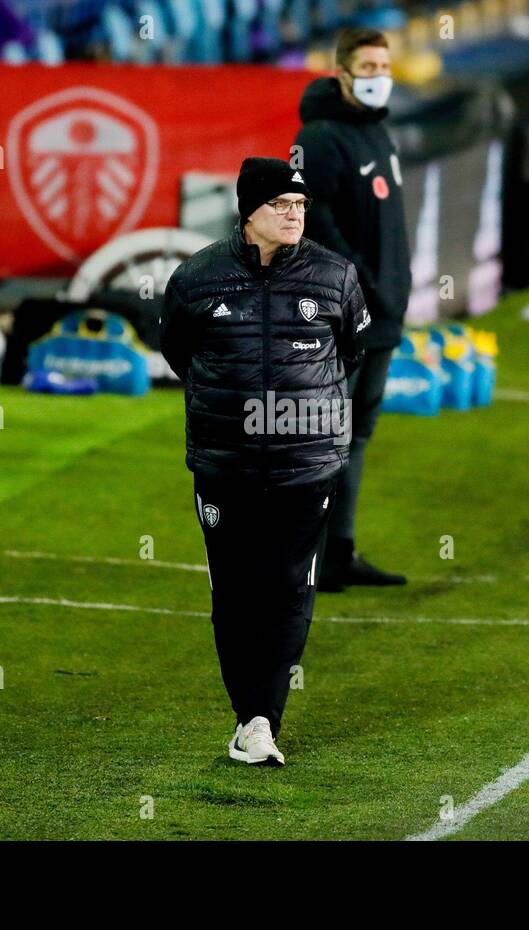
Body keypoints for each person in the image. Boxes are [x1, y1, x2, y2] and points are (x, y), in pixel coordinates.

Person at [159, 157, 369, 765]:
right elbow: (179, 353)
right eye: (281, 205)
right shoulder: (199, 279)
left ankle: (261, 719)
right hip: (225, 464)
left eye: (300, 207)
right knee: (235, 591)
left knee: (288, 589)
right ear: (249, 211)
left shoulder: (335, 277)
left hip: (308, 466)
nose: (294, 216)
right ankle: (248, 714)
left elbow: (348, 353)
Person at [294, 27, 410, 591]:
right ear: (341, 73)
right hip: (344, 313)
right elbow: (313, 219)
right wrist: (357, 280)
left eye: (384, 66)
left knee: (356, 435)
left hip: (385, 312)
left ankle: (339, 553)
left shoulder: (378, 133)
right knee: (324, 435)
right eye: (367, 68)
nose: (378, 77)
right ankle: (306, 558)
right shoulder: (319, 138)